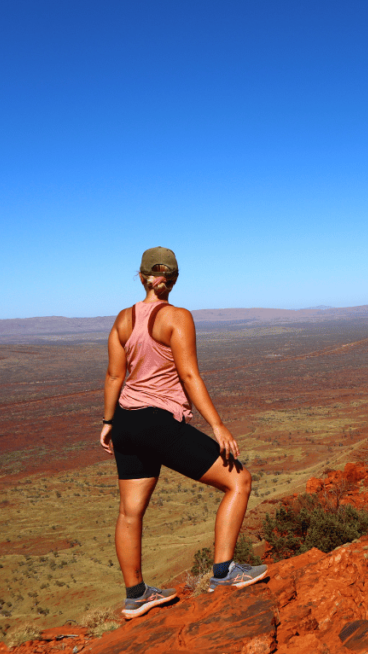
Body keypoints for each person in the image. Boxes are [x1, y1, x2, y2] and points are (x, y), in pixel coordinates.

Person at [100, 247, 267, 619]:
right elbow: (190, 375)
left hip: (127, 421)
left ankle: (135, 595)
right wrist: (217, 425)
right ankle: (224, 573)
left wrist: (109, 422)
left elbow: (114, 376)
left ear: (141, 277)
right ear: (173, 279)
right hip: (158, 421)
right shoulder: (177, 317)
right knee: (239, 481)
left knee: (130, 512)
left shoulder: (123, 320)